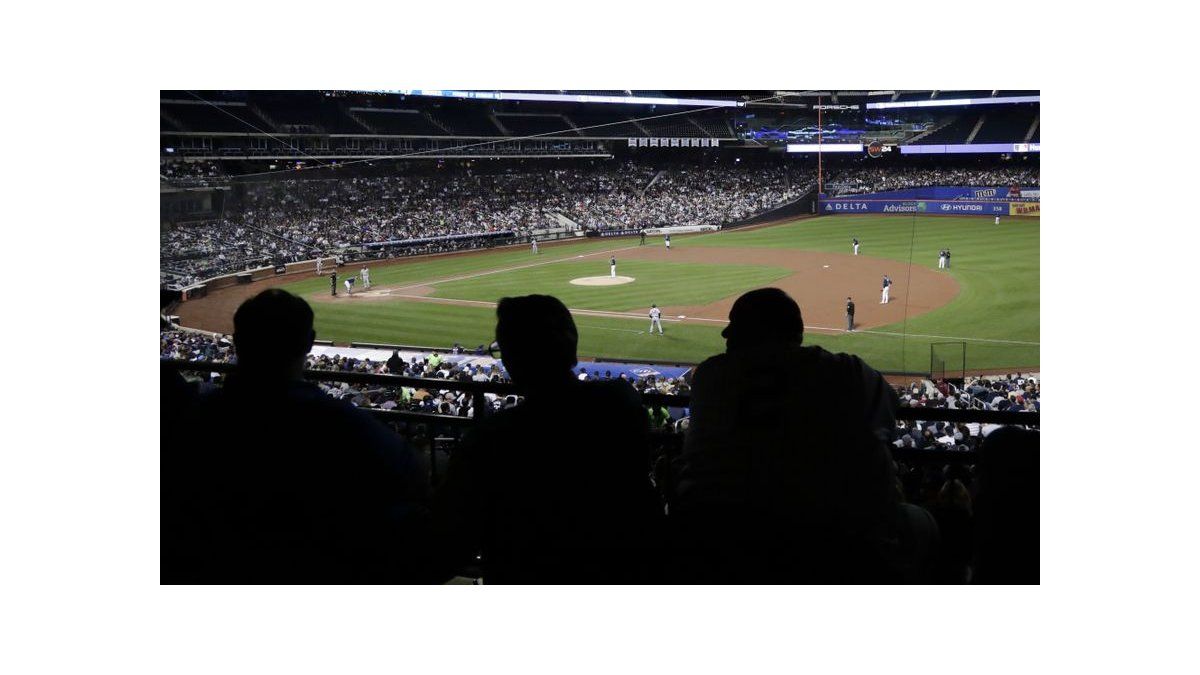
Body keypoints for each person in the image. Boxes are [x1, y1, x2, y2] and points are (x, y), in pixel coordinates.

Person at [162, 289, 440, 583]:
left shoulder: (191, 417)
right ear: (308, 342)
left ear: (238, 342)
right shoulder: (341, 422)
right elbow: (414, 478)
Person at [672, 288, 902, 582]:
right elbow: (886, 421)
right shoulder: (845, 370)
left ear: (755, 333)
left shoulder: (709, 375)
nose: (726, 338)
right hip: (823, 545)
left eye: (735, 331)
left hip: (710, 541)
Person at [436, 295, 664, 583]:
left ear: (510, 357)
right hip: (626, 569)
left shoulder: (489, 438)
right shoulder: (620, 403)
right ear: (571, 346)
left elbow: (448, 547)